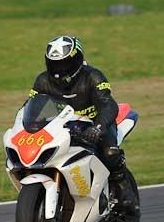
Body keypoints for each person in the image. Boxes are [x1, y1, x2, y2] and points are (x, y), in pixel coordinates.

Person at [29, 35, 135, 212]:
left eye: (65, 64)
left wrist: (98, 127)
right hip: (63, 129)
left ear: (77, 60)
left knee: (109, 152)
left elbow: (108, 105)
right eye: (55, 64)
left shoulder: (93, 76)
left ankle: (124, 190)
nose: (60, 69)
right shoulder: (43, 81)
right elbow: (31, 107)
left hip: (96, 124)